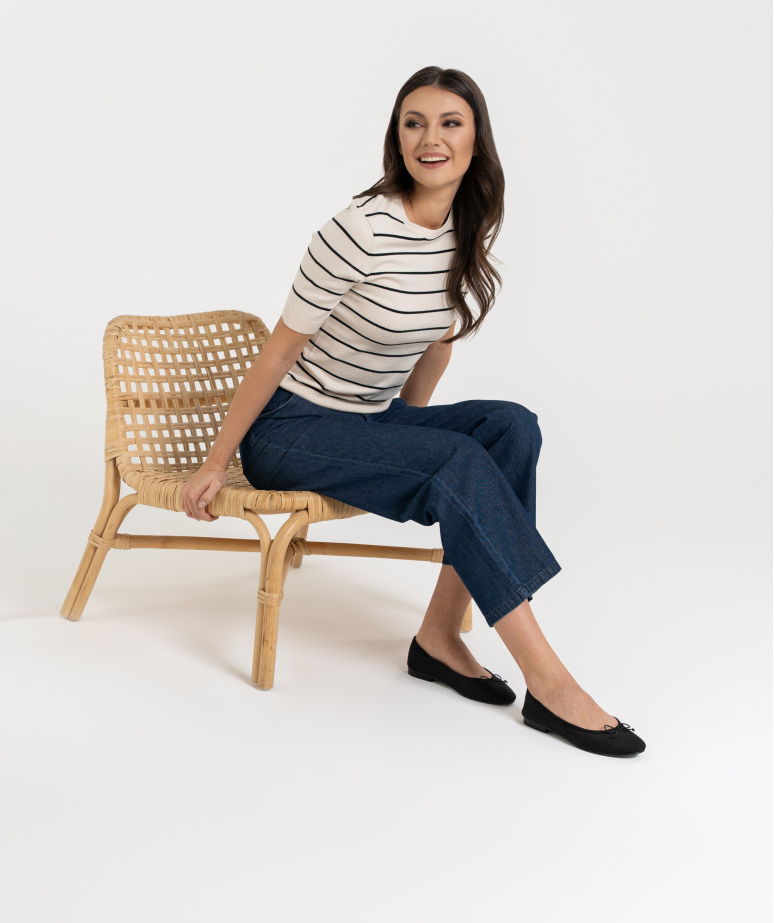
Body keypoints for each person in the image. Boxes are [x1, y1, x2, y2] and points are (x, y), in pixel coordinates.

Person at [181, 66, 646, 757]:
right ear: (397, 139)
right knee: (455, 462)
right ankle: (548, 682)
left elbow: (436, 343)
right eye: (414, 123)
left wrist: (406, 435)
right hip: (291, 427)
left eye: (450, 123)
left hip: (369, 419)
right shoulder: (359, 229)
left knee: (511, 427)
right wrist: (217, 462)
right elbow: (277, 353)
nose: (432, 138)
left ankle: (438, 636)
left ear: (476, 139)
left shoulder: (462, 228)